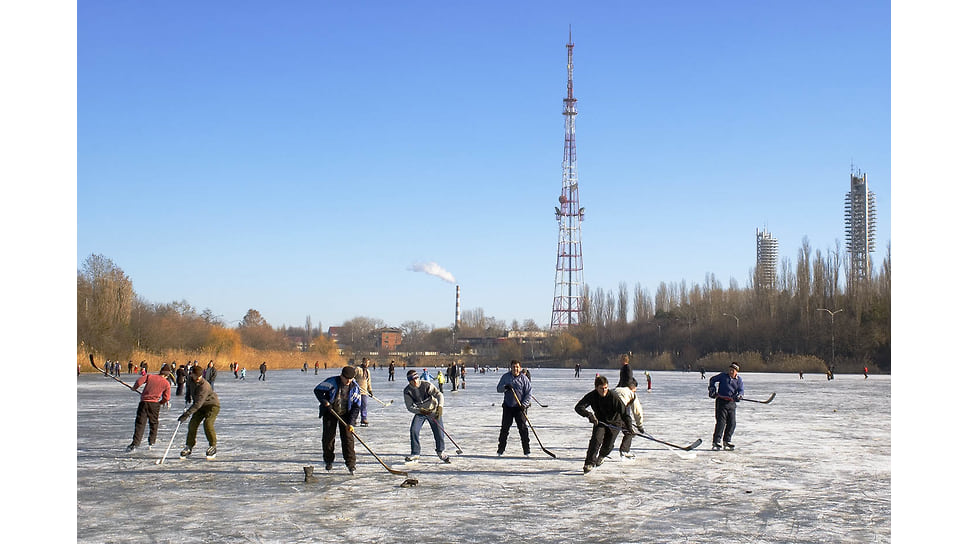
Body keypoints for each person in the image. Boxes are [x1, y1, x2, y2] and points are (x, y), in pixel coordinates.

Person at [575, 375, 634, 473]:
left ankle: (602, 456)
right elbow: (578, 407)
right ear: (596, 388)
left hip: (615, 423)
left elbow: (624, 413)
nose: (604, 391)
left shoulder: (613, 396)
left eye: (606, 388)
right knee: (596, 440)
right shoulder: (592, 396)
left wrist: (629, 426)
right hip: (600, 422)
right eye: (601, 388)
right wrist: (589, 415)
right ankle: (589, 463)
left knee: (608, 445)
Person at [313, 366, 362, 473]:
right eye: (346, 379)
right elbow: (317, 390)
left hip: (346, 414)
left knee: (348, 439)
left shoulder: (355, 388)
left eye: (351, 379)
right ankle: (328, 460)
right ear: (341, 376)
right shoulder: (332, 382)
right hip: (330, 412)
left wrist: (351, 423)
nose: (348, 381)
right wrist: (325, 401)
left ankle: (351, 463)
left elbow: (356, 406)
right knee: (328, 438)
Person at [402, 369, 449, 463]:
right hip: (421, 413)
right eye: (412, 380)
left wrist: (440, 407)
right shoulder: (407, 391)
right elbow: (409, 407)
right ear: (409, 381)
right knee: (414, 430)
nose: (415, 381)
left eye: (416, 378)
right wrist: (420, 410)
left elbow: (439, 395)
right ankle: (415, 453)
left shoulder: (426, 385)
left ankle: (441, 451)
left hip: (433, 410)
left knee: (439, 432)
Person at [126, 363, 173, 452]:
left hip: (144, 402)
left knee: (140, 423)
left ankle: (135, 443)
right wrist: (160, 403)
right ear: (167, 375)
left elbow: (139, 381)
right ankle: (151, 442)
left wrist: (134, 388)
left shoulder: (150, 376)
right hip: (154, 404)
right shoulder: (166, 383)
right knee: (153, 423)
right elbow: (167, 398)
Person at [178, 365, 220, 458]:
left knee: (208, 423)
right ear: (192, 374)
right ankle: (189, 445)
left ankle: (213, 446)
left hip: (212, 405)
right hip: (200, 406)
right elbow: (189, 387)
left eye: (199, 377)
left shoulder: (204, 386)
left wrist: (186, 414)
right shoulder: (189, 379)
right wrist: (188, 395)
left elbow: (198, 404)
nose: (197, 379)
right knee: (192, 424)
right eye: (196, 376)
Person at [495, 360, 531, 456]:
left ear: (520, 368)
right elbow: (498, 389)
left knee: (523, 429)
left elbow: (528, 393)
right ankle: (500, 449)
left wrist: (524, 404)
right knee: (504, 429)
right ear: (511, 368)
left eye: (517, 367)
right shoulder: (505, 377)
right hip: (508, 406)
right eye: (513, 367)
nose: (515, 369)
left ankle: (526, 450)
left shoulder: (524, 379)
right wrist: (505, 387)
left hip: (519, 408)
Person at [708, 362, 744, 451]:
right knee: (721, 422)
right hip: (721, 402)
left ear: (736, 372)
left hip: (731, 403)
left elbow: (741, 390)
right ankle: (716, 442)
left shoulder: (739, 380)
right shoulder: (723, 376)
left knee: (732, 423)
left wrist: (739, 395)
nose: (731, 371)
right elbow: (712, 380)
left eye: (733, 370)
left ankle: (727, 441)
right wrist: (712, 388)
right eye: (730, 370)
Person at [612, 378, 646, 459]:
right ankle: (624, 451)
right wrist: (639, 425)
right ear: (633, 387)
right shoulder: (631, 393)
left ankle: (600, 454)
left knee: (608, 433)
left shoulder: (614, 390)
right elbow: (637, 411)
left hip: (606, 414)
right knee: (630, 432)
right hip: (618, 415)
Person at [355, 358, 374, 426]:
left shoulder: (368, 371)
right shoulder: (358, 369)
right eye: (365, 362)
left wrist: (370, 390)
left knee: (364, 406)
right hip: (356, 391)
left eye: (368, 363)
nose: (366, 364)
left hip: (364, 392)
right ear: (362, 362)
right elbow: (352, 378)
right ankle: (354, 419)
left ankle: (364, 418)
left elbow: (368, 382)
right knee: (356, 406)